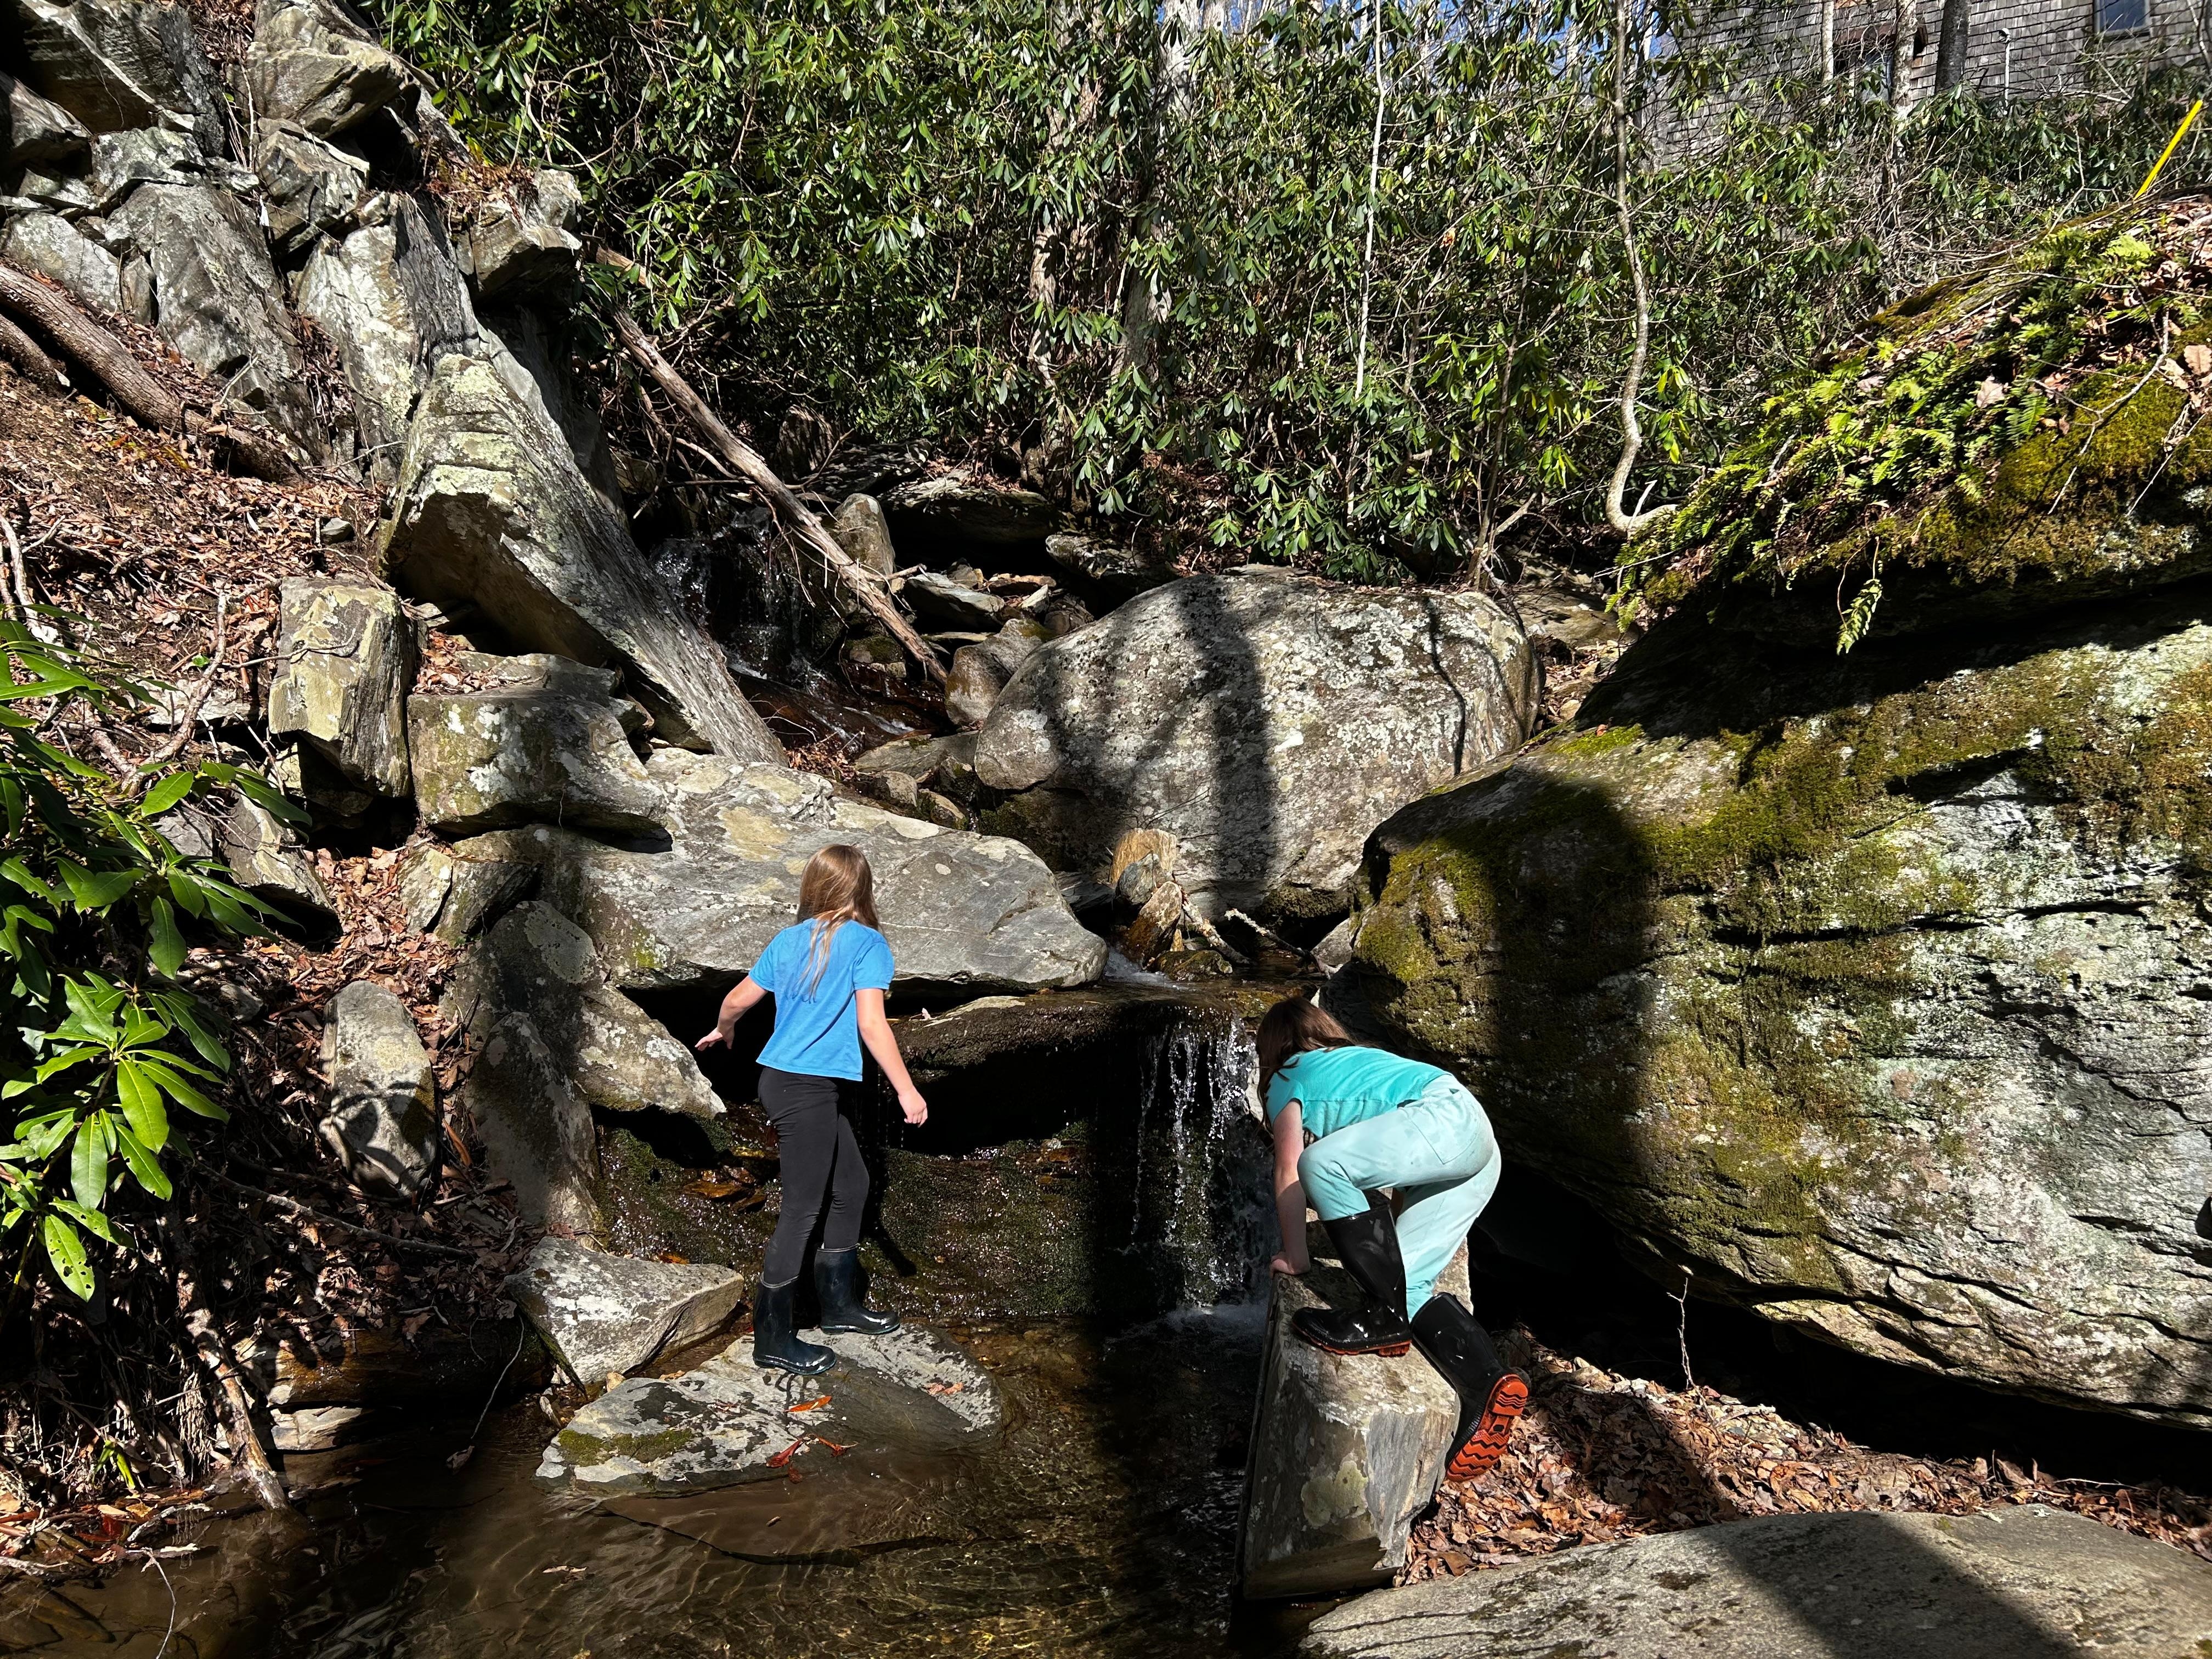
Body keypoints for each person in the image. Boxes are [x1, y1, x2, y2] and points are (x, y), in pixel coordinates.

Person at [1259, 993, 1527, 1482]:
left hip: (1443, 1123)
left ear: (1273, 1049)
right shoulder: (1359, 1061)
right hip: (1476, 1140)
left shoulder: (1286, 1075)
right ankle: (1486, 1384)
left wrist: (1296, 1257)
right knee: (1409, 1284)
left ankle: (1380, 1319)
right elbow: (1408, 1167)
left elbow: (1288, 1170)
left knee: (1321, 1163)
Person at [697, 844, 929, 1376]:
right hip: (805, 1091)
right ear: (861, 891)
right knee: (801, 1211)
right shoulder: (869, 945)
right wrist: (907, 1091)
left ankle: (839, 1308)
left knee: (853, 1185)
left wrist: (724, 1027)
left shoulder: (787, 941)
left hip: (786, 1084)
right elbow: (872, 1025)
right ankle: (772, 1338)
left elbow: (736, 999)